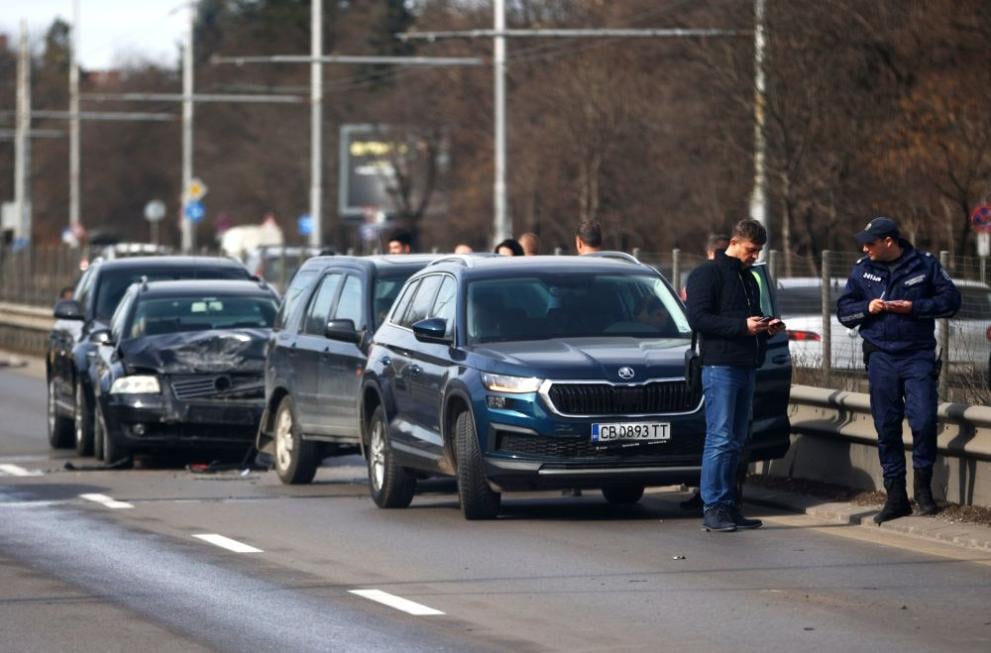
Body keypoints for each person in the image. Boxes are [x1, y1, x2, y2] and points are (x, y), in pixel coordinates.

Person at [837, 216, 961, 524]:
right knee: (887, 425)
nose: (865, 248)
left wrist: (915, 308)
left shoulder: (924, 264)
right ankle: (896, 496)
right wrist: (867, 309)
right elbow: (843, 311)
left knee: (924, 420)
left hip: (917, 355)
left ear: (889, 242)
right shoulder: (862, 269)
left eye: (870, 242)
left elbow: (951, 300)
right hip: (881, 356)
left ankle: (923, 491)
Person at [686, 219, 784, 532]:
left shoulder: (749, 279)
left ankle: (729, 505)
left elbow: (747, 318)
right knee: (720, 437)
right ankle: (713, 505)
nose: (755, 256)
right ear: (735, 242)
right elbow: (698, 318)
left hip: (746, 364)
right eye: (751, 250)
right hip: (720, 367)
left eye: (758, 252)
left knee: (737, 440)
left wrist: (766, 328)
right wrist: (742, 327)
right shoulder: (707, 274)